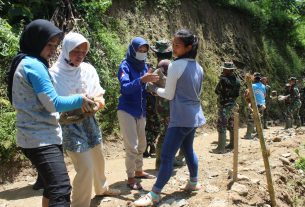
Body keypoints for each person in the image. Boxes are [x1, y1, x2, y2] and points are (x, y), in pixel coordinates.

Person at [7, 19, 95, 207]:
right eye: (49, 44)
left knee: (50, 185)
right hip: (40, 138)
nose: (53, 50)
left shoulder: (23, 61)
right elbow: (53, 103)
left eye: (55, 45)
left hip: (33, 134)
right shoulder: (34, 66)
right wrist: (80, 99)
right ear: (36, 41)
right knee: (61, 189)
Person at [134, 29, 206, 206]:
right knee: (188, 149)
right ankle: (193, 182)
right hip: (194, 116)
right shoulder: (199, 67)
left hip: (180, 117)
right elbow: (197, 92)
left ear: (188, 47)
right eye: (173, 44)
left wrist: (152, 88)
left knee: (166, 156)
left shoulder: (176, 66)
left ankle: (155, 193)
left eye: (177, 45)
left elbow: (168, 94)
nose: (173, 48)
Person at [50, 32, 120, 207]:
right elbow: (52, 104)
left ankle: (101, 188)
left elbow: (99, 96)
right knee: (85, 167)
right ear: (66, 50)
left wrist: (97, 104)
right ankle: (80, 204)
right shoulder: (53, 74)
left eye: (84, 51)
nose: (80, 55)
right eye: (76, 50)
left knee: (98, 158)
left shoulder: (88, 69)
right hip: (69, 126)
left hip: (90, 122)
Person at [117, 37, 159, 190]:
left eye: (144, 51)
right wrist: (142, 80)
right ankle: (130, 177)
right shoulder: (125, 66)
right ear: (132, 50)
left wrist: (151, 86)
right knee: (132, 146)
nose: (142, 53)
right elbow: (125, 88)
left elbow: (144, 85)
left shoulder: (144, 66)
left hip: (140, 110)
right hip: (127, 110)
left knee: (142, 144)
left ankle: (139, 171)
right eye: (139, 50)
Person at [144, 40, 173, 158]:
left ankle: (148, 147)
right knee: (159, 125)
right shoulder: (171, 66)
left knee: (151, 123)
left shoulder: (157, 67)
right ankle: (153, 148)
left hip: (154, 100)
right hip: (166, 102)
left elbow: (148, 85)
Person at [212, 62, 240, 153]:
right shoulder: (237, 80)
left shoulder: (223, 80)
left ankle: (221, 148)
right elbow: (237, 94)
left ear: (228, 70)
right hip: (233, 105)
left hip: (224, 105)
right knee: (232, 125)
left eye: (224, 69)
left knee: (222, 125)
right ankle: (232, 145)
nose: (223, 70)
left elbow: (217, 91)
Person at [243, 72, 266, 139]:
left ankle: (248, 134)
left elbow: (247, 95)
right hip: (262, 105)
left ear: (254, 78)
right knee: (259, 119)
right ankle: (259, 135)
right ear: (260, 79)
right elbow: (264, 95)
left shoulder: (252, 86)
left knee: (251, 119)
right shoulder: (263, 86)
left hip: (254, 104)